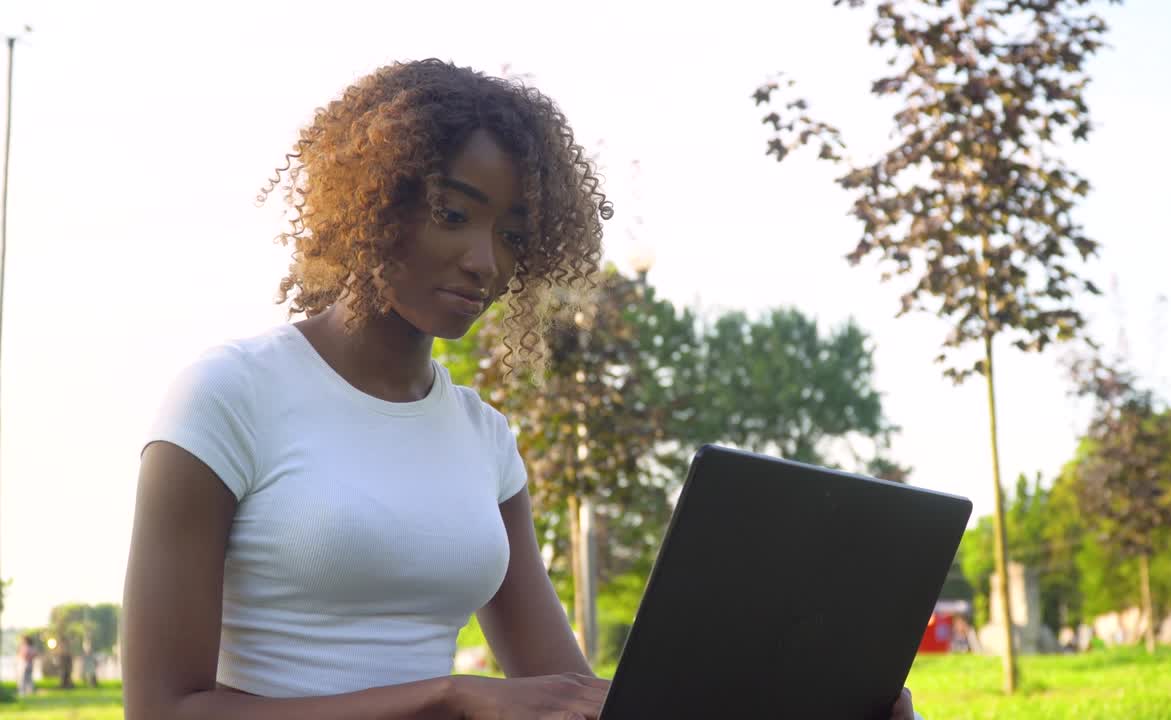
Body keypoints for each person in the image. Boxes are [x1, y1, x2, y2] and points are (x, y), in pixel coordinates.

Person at [122, 59, 920, 719]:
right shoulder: (227, 396)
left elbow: (569, 693)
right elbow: (163, 710)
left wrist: (811, 701)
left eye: (513, 236)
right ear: (375, 201)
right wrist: (447, 697)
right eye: (452, 214)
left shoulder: (484, 438)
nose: (486, 262)